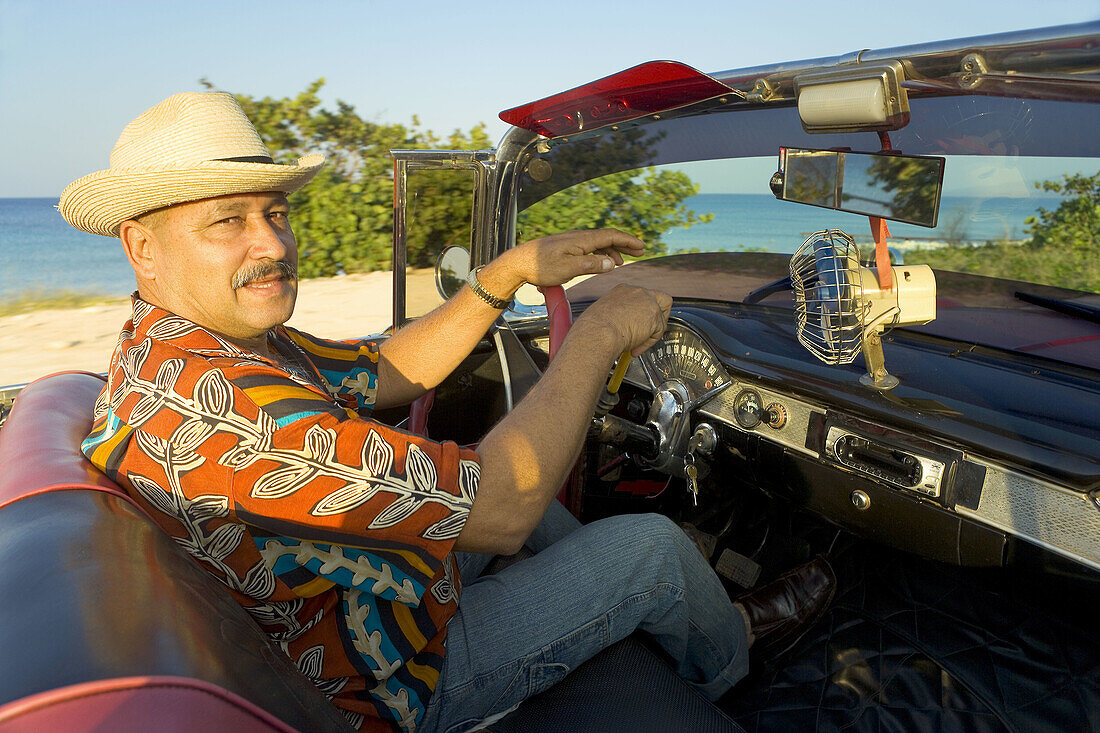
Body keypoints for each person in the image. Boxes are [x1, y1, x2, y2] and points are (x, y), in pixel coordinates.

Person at [60, 92, 835, 732]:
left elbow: (388, 368)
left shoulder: (188, 346)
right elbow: (498, 505)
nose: (272, 243)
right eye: (227, 221)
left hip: (363, 591)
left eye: (276, 212)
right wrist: (596, 336)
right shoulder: (232, 417)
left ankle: (629, 612)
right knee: (651, 549)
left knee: (519, 498)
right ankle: (731, 651)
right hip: (381, 685)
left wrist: (508, 271)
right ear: (143, 246)